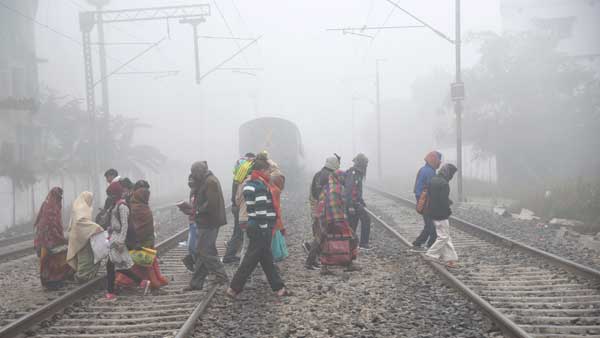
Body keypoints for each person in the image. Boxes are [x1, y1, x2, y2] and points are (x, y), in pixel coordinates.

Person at [227, 157, 289, 298]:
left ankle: (279, 288)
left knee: (266, 260)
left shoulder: (249, 184)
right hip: (261, 227)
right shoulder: (260, 186)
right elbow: (261, 211)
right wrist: (265, 228)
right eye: (268, 170)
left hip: (253, 225)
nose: (269, 173)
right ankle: (233, 288)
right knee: (250, 259)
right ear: (261, 170)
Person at [115, 181, 168, 290]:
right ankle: (149, 281)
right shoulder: (145, 208)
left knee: (134, 263)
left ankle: (130, 281)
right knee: (147, 264)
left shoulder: (132, 207)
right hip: (146, 241)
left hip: (136, 242)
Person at [184, 161, 229, 291]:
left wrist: (197, 210)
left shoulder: (210, 182)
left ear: (199, 171)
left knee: (205, 251)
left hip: (210, 221)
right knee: (202, 251)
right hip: (205, 221)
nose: (192, 175)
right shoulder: (205, 181)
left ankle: (222, 276)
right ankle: (196, 283)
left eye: (194, 172)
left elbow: (211, 204)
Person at [105, 179, 149, 300]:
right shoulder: (115, 205)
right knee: (118, 266)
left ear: (117, 193)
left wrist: (121, 241)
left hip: (118, 239)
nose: (110, 197)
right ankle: (141, 282)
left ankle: (110, 292)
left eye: (112, 194)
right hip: (114, 238)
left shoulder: (122, 206)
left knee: (112, 265)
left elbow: (125, 225)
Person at [317, 165, 359, 274]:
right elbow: (339, 204)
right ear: (339, 178)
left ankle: (325, 266)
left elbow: (321, 202)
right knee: (351, 238)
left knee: (328, 241)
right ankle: (349, 263)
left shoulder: (326, 187)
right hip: (338, 218)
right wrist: (342, 218)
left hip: (326, 218)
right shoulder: (338, 188)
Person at [304, 155, 340, 270]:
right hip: (325, 209)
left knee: (319, 233)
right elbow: (331, 194)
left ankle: (316, 259)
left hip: (316, 207)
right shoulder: (330, 176)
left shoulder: (318, 174)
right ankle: (310, 261)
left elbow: (313, 192)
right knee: (321, 235)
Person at [33, 187, 73, 289]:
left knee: (51, 259)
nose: (60, 199)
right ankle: (52, 281)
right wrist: (59, 237)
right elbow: (49, 223)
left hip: (49, 238)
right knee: (52, 259)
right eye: (58, 197)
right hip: (49, 238)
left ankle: (54, 280)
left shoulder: (49, 204)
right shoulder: (50, 206)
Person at [223, 152, 255, 264]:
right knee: (238, 233)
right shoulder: (242, 180)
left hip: (237, 207)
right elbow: (237, 197)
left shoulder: (237, 178)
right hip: (239, 208)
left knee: (238, 232)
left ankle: (231, 254)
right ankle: (229, 255)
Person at [425, 164, 459, 268]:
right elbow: (443, 200)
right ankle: (431, 254)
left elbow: (432, 196)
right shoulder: (444, 183)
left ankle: (450, 260)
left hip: (432, 212)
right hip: (441, 213)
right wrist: (448, 210)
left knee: (445, 236)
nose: (452, 176)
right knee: (443, 236)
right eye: (452, 173)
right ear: (449, 173)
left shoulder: (432, 180)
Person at [66, 191, 103, 282]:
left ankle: (86, 274)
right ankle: (83, 275)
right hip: (81, 236)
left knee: (85, 256)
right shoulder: (81, 208)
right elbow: (81, 222)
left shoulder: (81, 206)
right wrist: (95, 227)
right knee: (85, 257)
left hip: (81, 236)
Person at [412, 151, 442, 250]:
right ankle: (431, 246)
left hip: (423, 199)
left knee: (428, 224)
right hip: (425, 200)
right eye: (438, 160)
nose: (439, 162)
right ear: (433, 160)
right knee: (432, 226)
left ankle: (418, 242)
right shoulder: (429, 172)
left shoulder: (425, 169)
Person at [345, 153, 371, 250]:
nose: (366, 166)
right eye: (366, 163)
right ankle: (362, 244)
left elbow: (357, 191)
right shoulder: (353, 173)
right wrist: (350, 205)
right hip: (353, 203)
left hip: (356, 203)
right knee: (364, 220)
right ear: (361, 163)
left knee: (353, 223)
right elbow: (349, 189)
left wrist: (362, 201)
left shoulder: (358, 173)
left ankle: (351, 245)